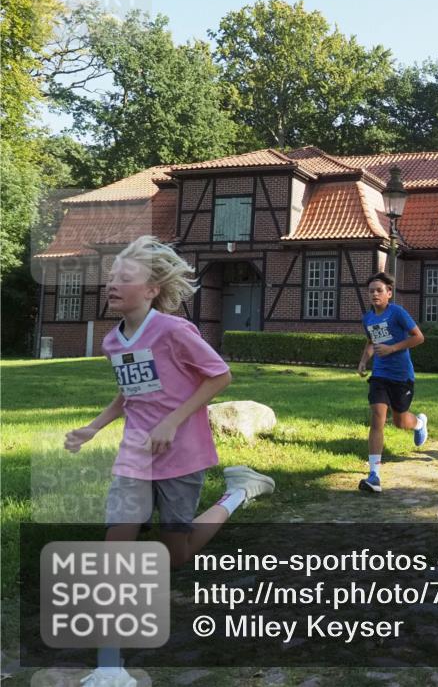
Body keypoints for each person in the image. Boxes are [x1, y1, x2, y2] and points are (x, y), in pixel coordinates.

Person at [64, 235, 275, 687]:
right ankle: (108, 666)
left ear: (152, 288)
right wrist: (95, 427)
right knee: (114, 552)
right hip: (135, 457)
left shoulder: (176, 331)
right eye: (111, 277)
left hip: (183, 455)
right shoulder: (112, 341)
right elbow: (129, 392)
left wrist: (174, 421)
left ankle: (240, 491)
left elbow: (220, 375)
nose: (113, 284)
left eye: (125, 277)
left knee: (175, 556)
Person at [357, 272, 428, 493]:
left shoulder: (397, 313)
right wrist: (363, 361)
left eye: (379, 290)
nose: (375, 294)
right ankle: (374, 475)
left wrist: (392, 348)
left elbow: (419, 337)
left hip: (402, 377)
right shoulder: (368, 318)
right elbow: (371, 341)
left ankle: (419, 423)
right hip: (379, 375)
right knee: (378, 416)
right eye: (371, 291)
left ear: (389, 293)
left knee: (400, 421)